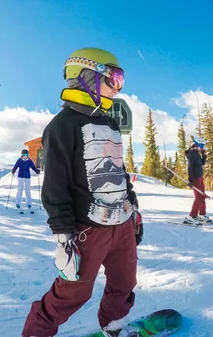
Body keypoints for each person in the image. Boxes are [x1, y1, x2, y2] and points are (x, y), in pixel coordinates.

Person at [22, 48, 142, 337]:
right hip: (88, 229)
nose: (118, 87)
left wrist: (133, 208)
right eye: (113, 78)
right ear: (87, 77)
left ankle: (113, 327)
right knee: (72, 292)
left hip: (121, 223)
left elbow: (117, 171)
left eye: (120, 79)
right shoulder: (63, 126)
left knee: (124, 283)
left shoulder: (110, 123)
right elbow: (54, 183)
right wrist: (63, 233)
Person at [184, 137, 210, 224]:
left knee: (202, 196)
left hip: (200, 177)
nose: (202, 147)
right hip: (195, 178)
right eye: (201, 146)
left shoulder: (197, 153)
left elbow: (202, 163)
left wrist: (204, 155)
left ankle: (202, 214)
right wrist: (190, 180)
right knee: (198, 197)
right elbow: (190, 167)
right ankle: (191, 216)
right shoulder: (192, 154)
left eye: (203, 146)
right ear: (196, 144)